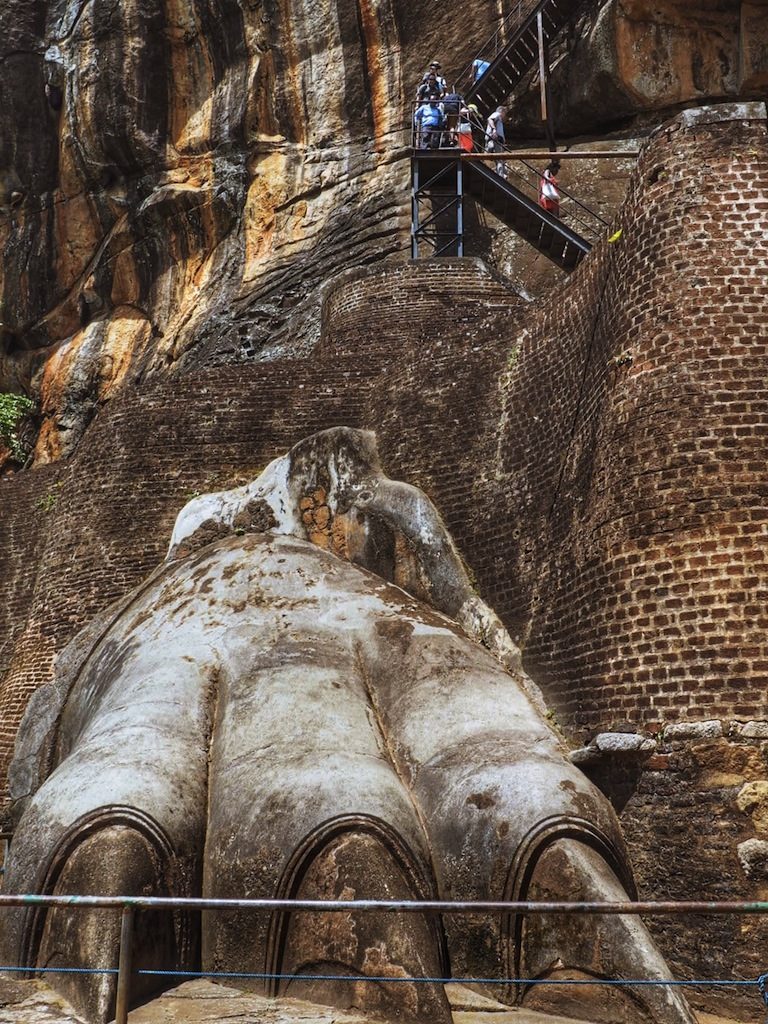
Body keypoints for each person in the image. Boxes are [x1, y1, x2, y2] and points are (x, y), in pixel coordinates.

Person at [485, 105, 507, 178]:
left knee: (499, 159)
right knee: (499, 159)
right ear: (502, 111)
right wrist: (494, 129)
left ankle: (500, 174)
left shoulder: (499, 117)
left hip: (497, 140)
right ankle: (500, 176)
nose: (505, 115)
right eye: (505, 113)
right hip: (495, 139)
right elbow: (490, 119)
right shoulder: (497, 114)